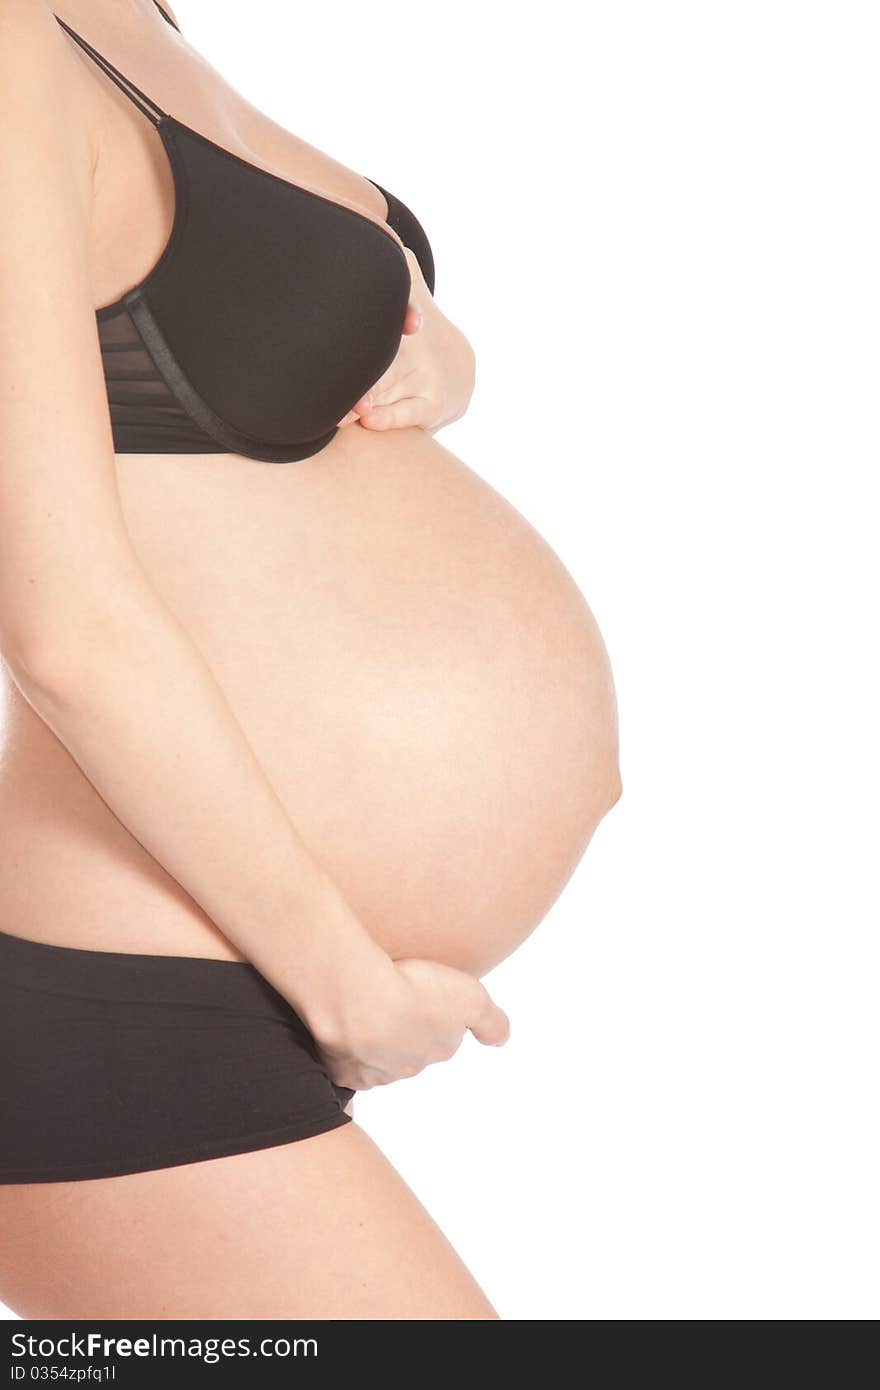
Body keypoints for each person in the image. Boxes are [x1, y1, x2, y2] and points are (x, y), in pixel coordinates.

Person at [0, 0, 621, 1319]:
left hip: (231, 967)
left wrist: (422, 329)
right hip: (135, 1013)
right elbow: (65, 632)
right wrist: (343, 982)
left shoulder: (131, 11)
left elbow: (205, 333)